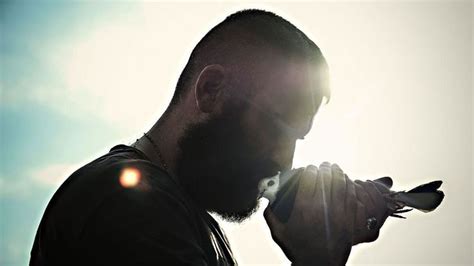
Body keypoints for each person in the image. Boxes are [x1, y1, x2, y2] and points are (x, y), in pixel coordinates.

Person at [30, 9, 391, 266]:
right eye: (276, 126)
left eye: (297, 139)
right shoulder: (129, 203)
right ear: (211, 90)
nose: (285, 160)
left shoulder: (184, 215)